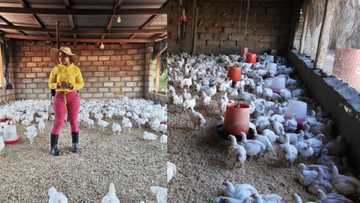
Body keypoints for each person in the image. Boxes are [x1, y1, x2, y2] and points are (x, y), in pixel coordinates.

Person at [48, 47, 84, 156]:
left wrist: (73, 86)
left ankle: (75, 144)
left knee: (73, 120)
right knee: (59, 120)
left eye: (64, 56)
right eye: (60, 56)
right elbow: (50, 83)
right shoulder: (56, 69)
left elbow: (81, 83)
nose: (61, 58)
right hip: (59, 96)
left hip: (73, 96)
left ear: (69, 57)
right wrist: (57, 85)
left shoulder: (76, 69)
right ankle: (53, 147)